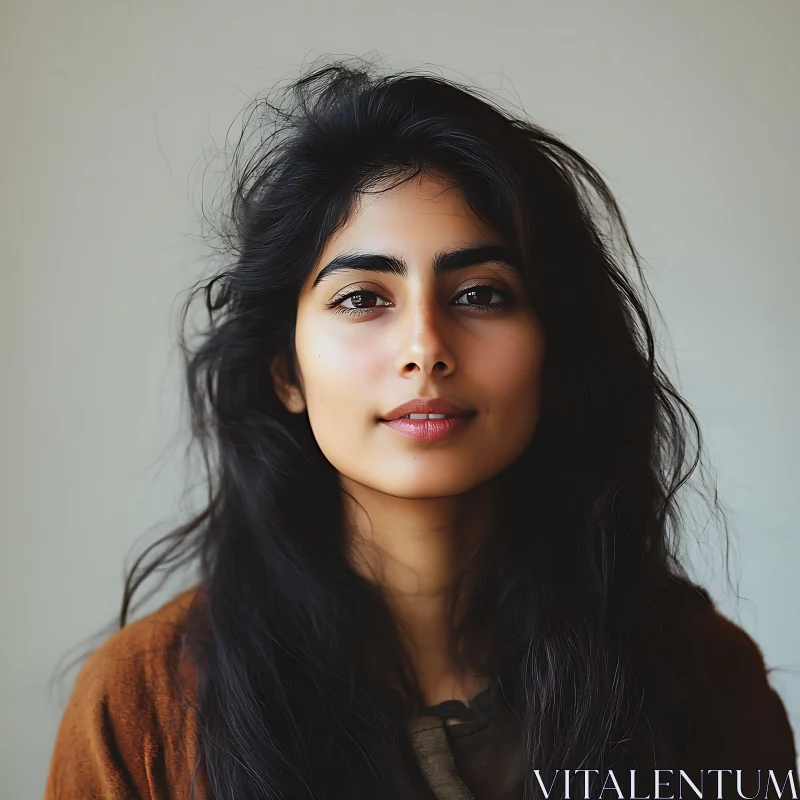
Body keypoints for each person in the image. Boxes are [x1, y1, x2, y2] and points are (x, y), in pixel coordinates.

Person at [45, 57, 797, 800]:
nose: (426, 348)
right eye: (362, 299)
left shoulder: (703, 679)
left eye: (480, 293)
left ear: (553, 347)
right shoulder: (141, 708)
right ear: (286, 371)